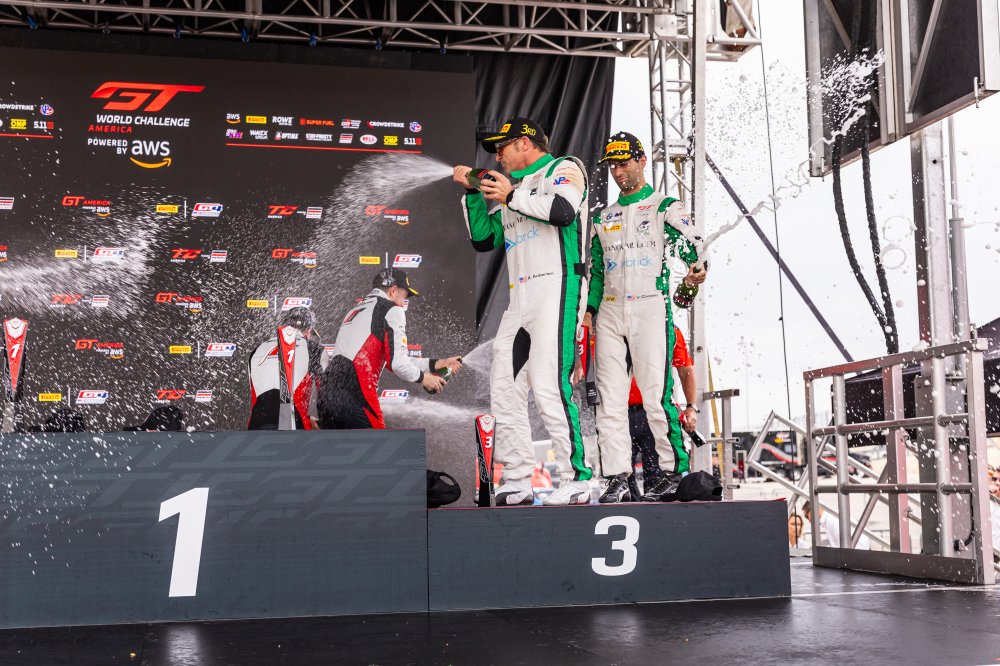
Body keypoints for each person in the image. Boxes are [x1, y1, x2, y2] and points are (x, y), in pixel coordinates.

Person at [453, 117, 593, 506]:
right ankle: (516, 478)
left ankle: (578, 478)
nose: (497, 155)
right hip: (520, 295)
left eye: (503, 146)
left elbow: (563, 210)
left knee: (548, 384)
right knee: (504, 388)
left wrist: (510, 194)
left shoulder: (564, 168)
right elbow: (484, 240)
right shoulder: (511, 192)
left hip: (558, 284)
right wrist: (472, 194)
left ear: (526, 143)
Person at [585, 131, 707, 504]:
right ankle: (617, 476)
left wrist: (693, 277)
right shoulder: (602, 217)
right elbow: (597, 273)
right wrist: (588, 313)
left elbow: (695, 252)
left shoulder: (664, 207)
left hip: (650, 305)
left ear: (641, 161)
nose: (618, 172)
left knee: (656, 394)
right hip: (609, 310)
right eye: (612, 166)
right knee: (609, 400)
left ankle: (672, 472)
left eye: (624, 163)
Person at [317, 268, 462, 429]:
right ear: (393, 291)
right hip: (356, 395)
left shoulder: (356, 310)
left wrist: (438, 364)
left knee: (335, 446)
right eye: (404, 298)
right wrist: (424, 378)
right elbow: (398, 363)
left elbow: (393, 357)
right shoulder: (391, 309)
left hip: (325, 396)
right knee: (382, 445)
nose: (402, 304)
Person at [623, 325, 699, 501]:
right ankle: (627, 510)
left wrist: (691, 407)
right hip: (619, 412)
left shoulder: (668, 328)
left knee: (658, 480)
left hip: (655, 410)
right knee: (623, 480)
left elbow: (685, 370)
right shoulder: (613, 327)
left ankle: (656, 514)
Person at [247, 306, 326, 430]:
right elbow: (326, 398)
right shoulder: (314, 349)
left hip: (257, 425)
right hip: (293, 426)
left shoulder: (257, 350)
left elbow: (267, 402)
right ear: (309, 330)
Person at [803, 500, 871, 549]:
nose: (809, 520)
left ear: (814, 508)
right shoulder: (829, 518)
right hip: (860, 550)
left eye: (807, 516)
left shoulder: (831, 520)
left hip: (860, 550)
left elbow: (839, 545)